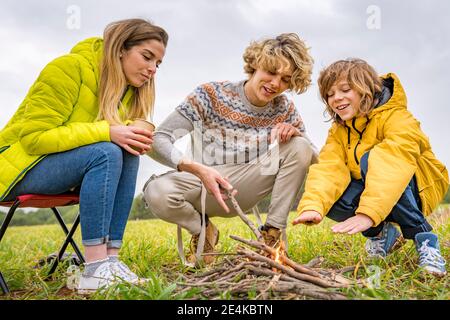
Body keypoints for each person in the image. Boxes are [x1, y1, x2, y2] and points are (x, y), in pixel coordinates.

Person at [0, 18, 168, 292]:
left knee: (125, 153)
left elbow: (103, 138)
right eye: (147, 57)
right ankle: (93, 268)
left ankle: (109, 261)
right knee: (106, 151)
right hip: (16, 169)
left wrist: (128, 135)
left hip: (64, 168)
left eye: (158, 64)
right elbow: (34, 138)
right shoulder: (67, 68)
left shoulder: (125, 91)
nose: (152, 69)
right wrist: (108, 132)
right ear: (120, 48)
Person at [143, 33, 317, 266]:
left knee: (299, 144)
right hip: (202, 184)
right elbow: (158, 140)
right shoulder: (210, 94)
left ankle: (272, 237)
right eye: (271, 72)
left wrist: (294, 132)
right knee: (156, 191)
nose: (276, 84)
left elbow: (312, 157)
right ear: (255, 65)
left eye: (285, 79)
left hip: (246, 184)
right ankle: (203, 230)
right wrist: (195, 168)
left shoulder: (284, 108)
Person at [293, 58, 448, 276]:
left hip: (417, 187)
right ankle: (381, 234)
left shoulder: (397, 117)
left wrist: (368, 214)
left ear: (365, 90)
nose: (336, 98)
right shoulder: (339, 131)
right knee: (331, 196)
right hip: (376, 190)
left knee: (373, 159)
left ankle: (426, 241)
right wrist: (313, 205)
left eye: (345, 90)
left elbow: (393, 165)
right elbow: (329, 168)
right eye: (330, 94)